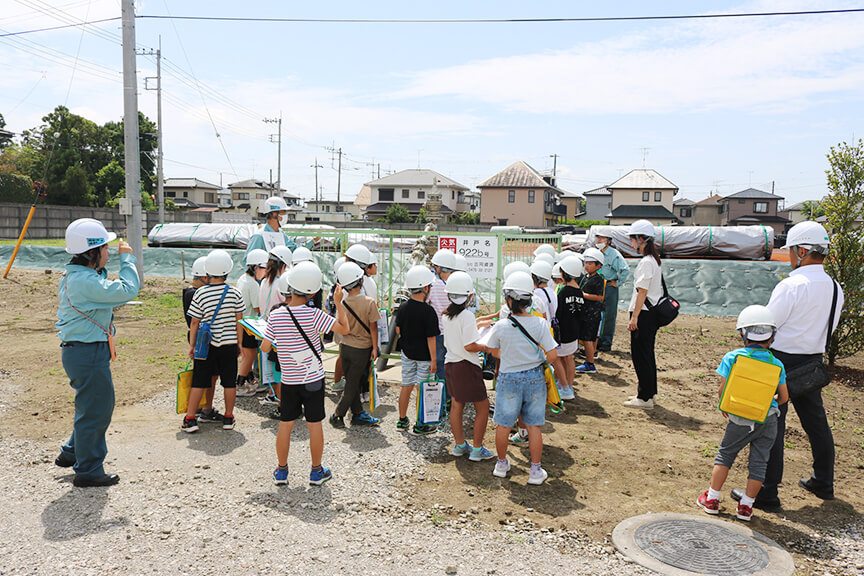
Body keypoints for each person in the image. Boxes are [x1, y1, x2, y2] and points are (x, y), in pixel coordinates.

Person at [732, 221, 844, 511]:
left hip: (780, 361)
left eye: (792, 251)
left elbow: (767, 327)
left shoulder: (791, 285)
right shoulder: (835, 287)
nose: (791, 256)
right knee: (816, 424)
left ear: (803, 250)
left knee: (773, 426)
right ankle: (824, 482)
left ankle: (767, 493)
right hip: (812, 364)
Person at [55, 219, 140, 487]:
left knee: (89, 405)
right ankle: (89, 469)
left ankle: (71, 452)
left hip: (82, 352)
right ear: (93, 252)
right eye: (105, 247)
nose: (109, 251)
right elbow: (128, 290)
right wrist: (127, 260)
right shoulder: (86, 282)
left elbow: (100, 278)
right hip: (88, 353)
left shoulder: (79, 276)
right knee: (97, 410)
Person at [261, 262, 351, 487]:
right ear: (312, 291)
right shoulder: (315, 315)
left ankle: (281, 472)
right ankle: (316, 471)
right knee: (314, 425)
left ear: (289, 287)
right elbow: (344, 329)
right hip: (313, 379)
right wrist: (338, 303)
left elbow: (264, 347)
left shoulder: (277, 316)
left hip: (289, 381)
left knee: (285, 424)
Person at [698, 306, 788, 522]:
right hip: (767, 420)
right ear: (772, 336)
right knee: (759, 462)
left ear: (742, 333)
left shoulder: (732, 357)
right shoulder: (777, 364)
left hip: (740, 417)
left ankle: (712, 499)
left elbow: (723, 391)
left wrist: (726, 406)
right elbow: (783, 398)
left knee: (725, 455)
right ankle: (746, 507)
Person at [486, 271, 558, 485]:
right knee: (534, 425)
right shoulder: (540, 324)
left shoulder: (501, 326)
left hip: (509, 377)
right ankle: (535, 471)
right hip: (535, 377)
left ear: (509, 300)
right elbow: (552, 355)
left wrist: (508, 355)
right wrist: (535, 359)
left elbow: (491, 350)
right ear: (529, 299)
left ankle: (501, 464)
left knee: (503, 423)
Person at [182, 250, 244, 433]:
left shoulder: (200, 293)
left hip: (206, 346)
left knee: (199, 381)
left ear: (207, 271)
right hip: (229, 344)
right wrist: (239, 343)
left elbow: (194, 322)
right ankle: (228, 417)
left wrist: (192, 345)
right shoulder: (235, 293)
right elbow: (239, 320)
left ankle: (191, 419)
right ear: (227, 271)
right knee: (229, 383)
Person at [443, 272, 495, 461]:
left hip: (451, 365)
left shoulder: (446, 314)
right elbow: (470, 346)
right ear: (470, 296)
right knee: (482, 407)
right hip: (467, 366)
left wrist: (482, 321)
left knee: (457, 405)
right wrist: (489, 347)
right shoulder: (466, 316)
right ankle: (477, 449)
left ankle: (459, 445)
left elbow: (465, 326)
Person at [329, 262, 380, 428]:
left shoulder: (342, 303)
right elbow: (373, 327)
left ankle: (358, 414)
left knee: (353, 381)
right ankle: (338, 414)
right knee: (352, 385)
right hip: (362, 349)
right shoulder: (369, 302)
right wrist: (374, 347)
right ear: (361, 281)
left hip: (345, 347)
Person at [395, 266, 440, 435]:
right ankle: (420, 424)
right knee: (423, 389)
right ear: (426, 288)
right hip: (424, 357)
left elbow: (398, 330)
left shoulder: (403, 307)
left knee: (406, 385)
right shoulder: (428, 311)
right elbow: (431, 338)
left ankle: (402, 419)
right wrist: (434, 360)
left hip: (407, 353)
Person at [624, 220, 663, 410]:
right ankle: (648, 393)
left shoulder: (647, 262)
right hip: (649, 313)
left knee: (641, 356)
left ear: (641, 239)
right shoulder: (654, 260)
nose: (631, 243)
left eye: (632, 239)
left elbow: (642, 292)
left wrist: (634, 317)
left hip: (644, 313)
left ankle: (645, 397)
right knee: (647, 354)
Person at [182, 257, 220, 421]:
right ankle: (204, 408)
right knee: (207, 377)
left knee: (206, 376)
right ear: (204, 277)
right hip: (203, 339)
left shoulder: (190, 292)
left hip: (198, 337)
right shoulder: (195, 293)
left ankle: (203, 408)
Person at [259, 245, 293, 408]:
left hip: (265, 327)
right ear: (285, 265)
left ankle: (272, 394)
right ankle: (281, 398)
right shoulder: (282, 284)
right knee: (281, 367)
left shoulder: (264, 281)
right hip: (280, 329)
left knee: (270, 364)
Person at [236, 249, 269, 398]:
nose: (265, 271)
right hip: (249, 324)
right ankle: (239, 384)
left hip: (242, 323)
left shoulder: (243, 279)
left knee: (248, 354)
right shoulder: (253, 285)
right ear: (256, 267)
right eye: (264, 268)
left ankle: (250, 379)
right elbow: (257, 307)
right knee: (250, 355)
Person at [595, 232, 630, 352]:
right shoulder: (597, 253)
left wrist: (617, 283)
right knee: (596, 313)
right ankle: (596, 340)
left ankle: (606, 342)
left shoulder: (614, 254)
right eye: (597, 237)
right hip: (597, 286)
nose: (599, 240)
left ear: (609, 241)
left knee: (609, 315)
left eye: (602, 238)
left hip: (609, 286)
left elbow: (625, 270)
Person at [428, 249, 456, 396]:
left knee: (438, 366)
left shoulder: (432, 285)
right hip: (452, 332)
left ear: (437, 268)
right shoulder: (456, 285)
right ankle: (451, 396)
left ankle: (440, 399)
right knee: (450, 365)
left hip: (437, 333)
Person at [555, 255, 584, 396]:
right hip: (575, 331)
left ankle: (564, 387)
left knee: (558, 358)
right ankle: (569, 385)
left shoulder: (563, 292)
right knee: (569, 357)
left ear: (565, 274)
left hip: (563, 332)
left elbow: (558, 313)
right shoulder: (580, 292)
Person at [576, 248, 605, 375]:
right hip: (585, 313)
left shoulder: (598, 279)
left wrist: (583, 295)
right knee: (588, 338)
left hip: (592, 314)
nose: (587, 266)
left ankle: (590, 363)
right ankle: (589, 361)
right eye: (586, 263)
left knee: (588, 339)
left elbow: (599, 297)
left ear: (598, 266)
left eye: (590, 263)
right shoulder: (585, 277)